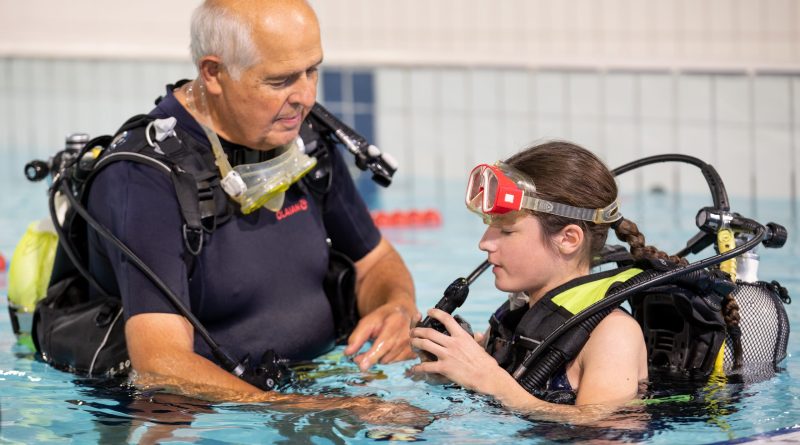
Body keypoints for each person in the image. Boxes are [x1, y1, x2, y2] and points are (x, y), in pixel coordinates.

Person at [83, 0, 418, 399]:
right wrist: (315, 409)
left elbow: (375, 261)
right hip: (214, 414)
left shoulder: (303, 138)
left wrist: (397, 306)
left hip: (312, 385)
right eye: (280, 81)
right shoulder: (144, 179)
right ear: (214, 73)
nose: (306, 96)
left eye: (312, 71)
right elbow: (160, 366)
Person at [409, 141, 687, 423]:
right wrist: (446, 372)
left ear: (568, 239)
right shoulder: (516, 316)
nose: (484, 243)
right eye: (489, 226)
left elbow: (610, 429)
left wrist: (490, 380)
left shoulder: (612, 334)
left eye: (506, 231)